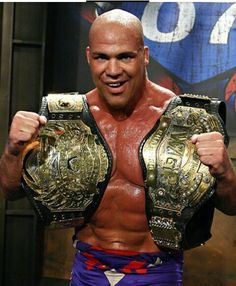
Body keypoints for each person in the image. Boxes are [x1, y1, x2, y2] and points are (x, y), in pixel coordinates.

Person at [1, 9, 236, 286]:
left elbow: (231, 207)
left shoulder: (187, 120)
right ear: (89, 56)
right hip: (87, 270)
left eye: (125, 56)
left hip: (156, 272)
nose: (113, 71)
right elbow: (10, 191)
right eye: (102, 57)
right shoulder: (64, 119)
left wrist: (225, 172)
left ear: (145, 55)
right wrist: (14, 150)